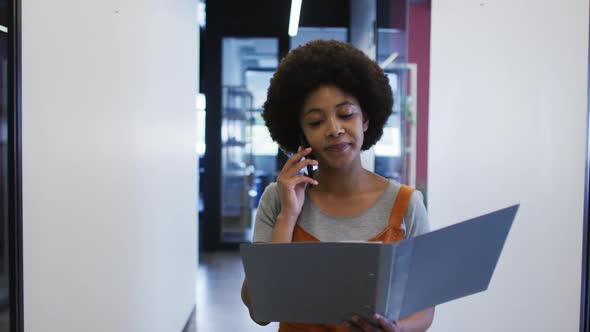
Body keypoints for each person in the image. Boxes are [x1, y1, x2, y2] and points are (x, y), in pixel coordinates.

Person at [241, 39, 434, 332]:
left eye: (346, 114)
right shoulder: (279, 199)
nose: (334, 129)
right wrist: (288, 217)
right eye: (316, 122)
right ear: (301, 134)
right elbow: (260, 311)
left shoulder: (406, 204)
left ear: (366, 119)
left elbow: (425, 308)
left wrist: (398, 330)